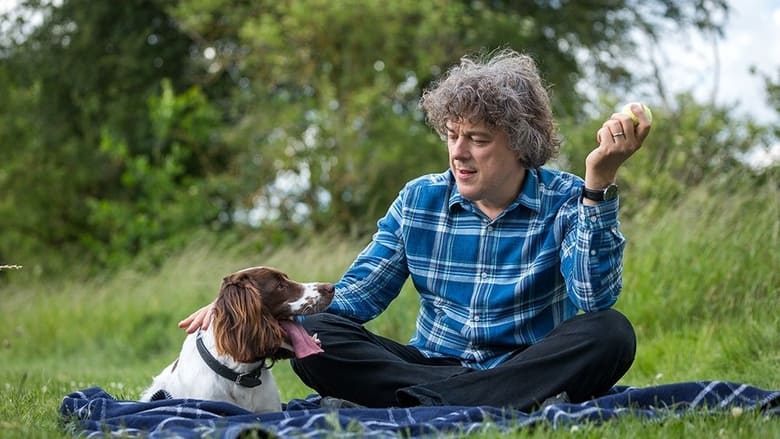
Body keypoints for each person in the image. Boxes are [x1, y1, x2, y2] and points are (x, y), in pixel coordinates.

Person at [180, 48, 651, 411]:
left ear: (521, 145)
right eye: (452, 136)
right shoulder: (418, 200)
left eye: (478, 140)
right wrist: (246, 306)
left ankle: (428, 405)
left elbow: (592, 301)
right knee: (317, 335)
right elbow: (354, 298)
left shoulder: (569, 197)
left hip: (527, 363)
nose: (459, 153)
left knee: (610, 333)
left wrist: (599, 184)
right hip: (428, 364)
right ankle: (474, 401)